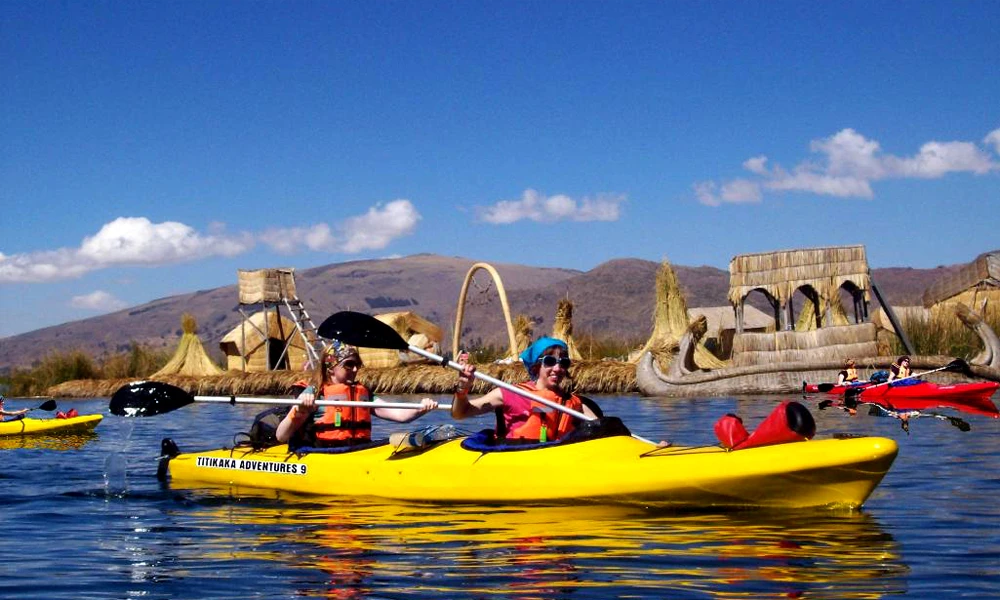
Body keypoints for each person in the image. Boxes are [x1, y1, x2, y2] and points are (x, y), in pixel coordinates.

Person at [275, 341, 439, 448]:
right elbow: (281, 436)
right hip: (326, 455)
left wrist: (421, 409)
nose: (355, 369)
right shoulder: (314, 392)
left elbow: (400, 415)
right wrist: (299, 409)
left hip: (359, 451)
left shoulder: (363, 393)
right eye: (349, 365)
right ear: (331, 367)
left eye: (357, 364)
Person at [451, 336, 598, 442]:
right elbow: (460, 413)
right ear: (536, 366)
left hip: (553, 463)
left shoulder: (574, 404)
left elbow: (604, 429)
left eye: (563, 363)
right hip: (515, 460)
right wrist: (462, 388)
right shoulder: (509, 394)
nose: (557, 368)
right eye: (550, 361)